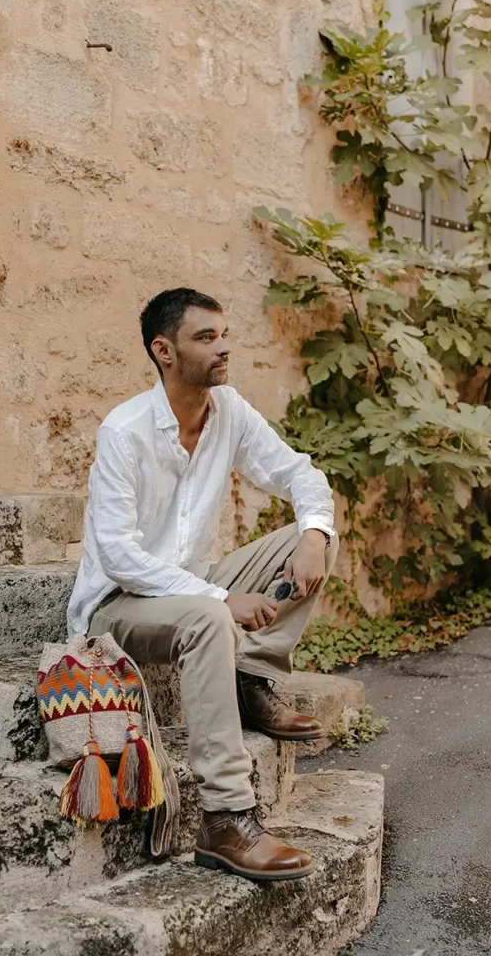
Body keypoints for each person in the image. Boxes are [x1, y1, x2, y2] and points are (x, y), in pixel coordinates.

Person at [67, 287, 339, 882]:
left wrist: (313, 534)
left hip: (193, 584)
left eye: (224, 336)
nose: (224, 349)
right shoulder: (124, 432)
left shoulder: (230, 410)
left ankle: (249, 675)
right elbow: (118, 556)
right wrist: (219, 598)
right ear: (164, 351)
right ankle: (226, 817)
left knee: (316, 537)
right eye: (206, 338)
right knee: (208, 616)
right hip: (119, 608)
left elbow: (299, 474)